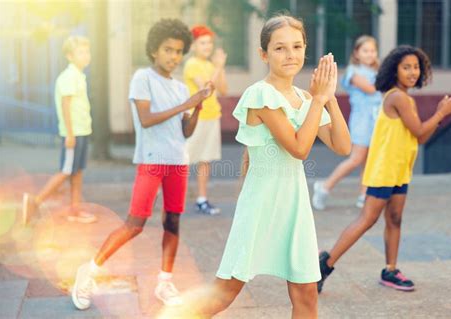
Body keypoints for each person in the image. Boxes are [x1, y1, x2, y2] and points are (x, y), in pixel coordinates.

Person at [163, 15, 351, 319]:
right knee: (225, 292)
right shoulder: (259, 95)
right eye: (279, 48)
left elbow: (343, 146)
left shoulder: (306, 98)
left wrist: (328, 99)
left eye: (296, 46)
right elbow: (299, 149)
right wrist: (318, 101)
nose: (290, 54)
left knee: (305, 292)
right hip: (262, 202)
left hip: (295, 205)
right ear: (263, 54)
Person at [71, 19, 214, 310]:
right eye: (167, 50)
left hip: (177, 161)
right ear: (153, 50)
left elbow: (185, 131)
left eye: (178, 51)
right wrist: (188, 103)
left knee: (172, 221)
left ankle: (165, 281)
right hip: (151, 161)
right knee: (135, 223)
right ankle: (90, 271)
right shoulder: (142, 78)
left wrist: (197, 105)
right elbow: (147, 120)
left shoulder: (178, 88)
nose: (173, 56)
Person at [317, 45, 451, 293]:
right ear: (394, 70)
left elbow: (420, 138)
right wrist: (441, 113)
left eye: (416, 67)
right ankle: (325, 265)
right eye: (406, 67)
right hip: (384, 169)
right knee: (368, 219)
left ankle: (390, 270)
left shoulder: (406, 98)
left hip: (399, 169)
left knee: (395, 219)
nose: (412, 72)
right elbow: (418, 130)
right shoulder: (396, 97)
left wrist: (437, 117)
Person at [22, 35, 97, 225]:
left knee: (78, 171)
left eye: (87, 51)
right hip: (73, 133)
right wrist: (70, 134)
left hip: (83, 132)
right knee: (65, 171)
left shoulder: (79, 75)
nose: (86, 55)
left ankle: (75, 209)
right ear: (70, 56)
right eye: (81, 52)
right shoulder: (69, 76)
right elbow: (66, 106)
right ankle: (35, 202)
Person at [312, 35, 382, 210]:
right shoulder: (354, 72)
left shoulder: (376, 72)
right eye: (365, 50)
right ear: (357, 53)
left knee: (369, 160)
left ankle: (364, 194)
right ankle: (324, 186)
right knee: (356, 158)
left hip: (376, 120)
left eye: (372, 50)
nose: (369, 54)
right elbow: (371, 89)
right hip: (362, 121)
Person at [183, 25, 228, 215]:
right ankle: (172, 196)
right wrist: (218, 67)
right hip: (196, 118)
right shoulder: (192, 64)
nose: (207, 46)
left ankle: (202, 200)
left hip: (212, 117)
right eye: (202, 43)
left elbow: (223, 90)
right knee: (183, 160)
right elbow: (206, 91)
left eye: (209, 42)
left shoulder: (211, 66)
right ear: (193, 45)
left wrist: (220, 68)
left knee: (205, 160)